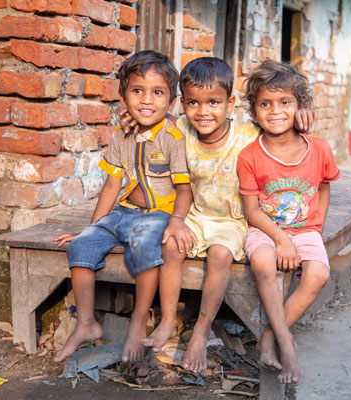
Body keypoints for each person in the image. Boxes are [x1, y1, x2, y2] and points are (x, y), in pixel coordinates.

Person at [121, 57, 315, 375]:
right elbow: (151, 117)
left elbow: (282, 123)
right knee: (170, 245)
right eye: (194, 103)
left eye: (214, 102)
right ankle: (169, 320)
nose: (204, 111)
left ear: (230, 103)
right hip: (196, 214)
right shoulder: (179, 129)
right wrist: (130, 116)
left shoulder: (248, 135)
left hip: (235, 220)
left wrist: (305, 115)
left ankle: (201, 328)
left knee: (220, 255)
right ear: (183, 104)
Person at [52, 50, 196, 363]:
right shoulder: (121, 135)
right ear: (123, 97)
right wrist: (91, 227)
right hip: (122, 212)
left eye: (158, 93)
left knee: (146, 245)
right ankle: (86, 322)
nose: (147, 100)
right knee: (82, 246)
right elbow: (112, 185)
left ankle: (137, 321)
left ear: (171, 100)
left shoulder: (173, 137)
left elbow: (185, 190)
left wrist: (175, 221)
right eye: (137, 91)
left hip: (157, 217)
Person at [236, 59, 341, 384]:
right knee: (265, 264)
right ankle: (287, 343)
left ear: (300, 107)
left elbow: (323, 187)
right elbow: (252, 210)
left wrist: (316, 228)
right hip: (265, 230)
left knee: (319, 273)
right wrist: (281, 239)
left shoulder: (320, 149)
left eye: (285, 102)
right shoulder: (250, 156)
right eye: (265, 103)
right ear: (254, 112)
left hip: (306, 229)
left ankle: (269, 335)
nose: (275, 110)